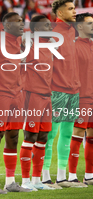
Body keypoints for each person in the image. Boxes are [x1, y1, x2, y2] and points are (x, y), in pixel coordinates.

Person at [0, 12, 31, 194]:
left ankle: (10, 182)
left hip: (16, 95)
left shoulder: (20, 43)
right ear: (6, 26)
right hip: (0, 95)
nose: (22, 24)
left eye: (22, 21)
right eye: (17, 22)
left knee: (13, 136)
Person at [42, 0, 82, 188]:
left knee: (67, 133)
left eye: (74, 8)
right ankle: (44, 176)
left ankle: (63, 177)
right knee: (50, 134)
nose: (74, 11)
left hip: (74, 90)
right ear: (60, 13)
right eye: (70, 9)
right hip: (57, 90)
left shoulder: (74, 33)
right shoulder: (52, 34)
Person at [19, 15, 56, 190]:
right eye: (47, 26)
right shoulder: (30, 47)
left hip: (46, 97)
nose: (51, 28)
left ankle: (36, 180)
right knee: (30, 136)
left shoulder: (49, 48)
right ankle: (25, 180)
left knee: (43, 137)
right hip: (32, 95)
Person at [68, 13, 93, 186]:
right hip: (80, 97)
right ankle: (70, 176)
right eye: (90, 23)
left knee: (91, 136)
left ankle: (90, 175)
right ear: (80, 27)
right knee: (77, 134)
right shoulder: (73, 47)